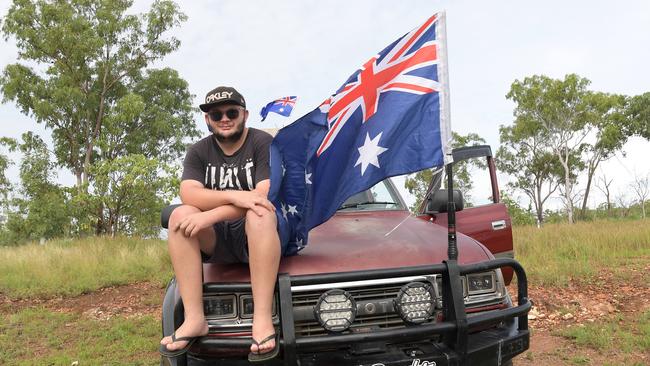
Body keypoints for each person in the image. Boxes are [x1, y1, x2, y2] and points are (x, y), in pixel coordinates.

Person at [159, 86, 282, 362]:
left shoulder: (263, 143)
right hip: (216, 239)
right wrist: (235, 195)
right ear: (208, 120)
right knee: (180, 216)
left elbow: (262, 196)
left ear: (245, 115)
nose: (224, 118)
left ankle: (261, 320)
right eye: (216, 114)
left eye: (231, 112)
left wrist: (210, 214)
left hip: (255, 236)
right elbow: (189, 194)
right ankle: (194, 319)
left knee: (260, 213)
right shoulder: (199, 151)